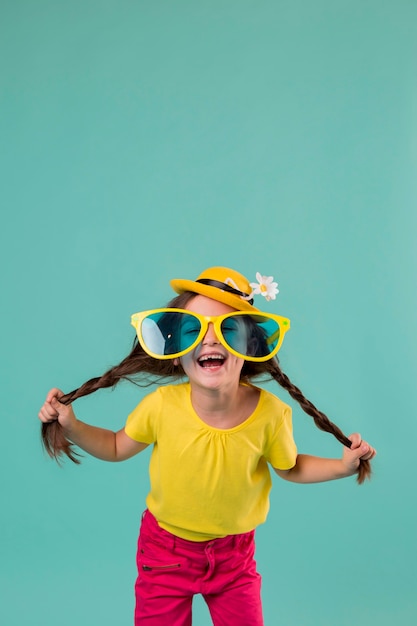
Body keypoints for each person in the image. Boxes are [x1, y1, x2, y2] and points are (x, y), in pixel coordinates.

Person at [38, 266, 376, 626]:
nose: (211, 341)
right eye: (193, 330)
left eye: (228, 330)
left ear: (251, 347)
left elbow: (290, 466)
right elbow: (118, 446)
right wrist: (71, 426)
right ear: (176, 349)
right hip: (165, 551)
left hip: (235, 557)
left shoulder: (271, 414)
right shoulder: (161, 406)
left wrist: (342, 466)